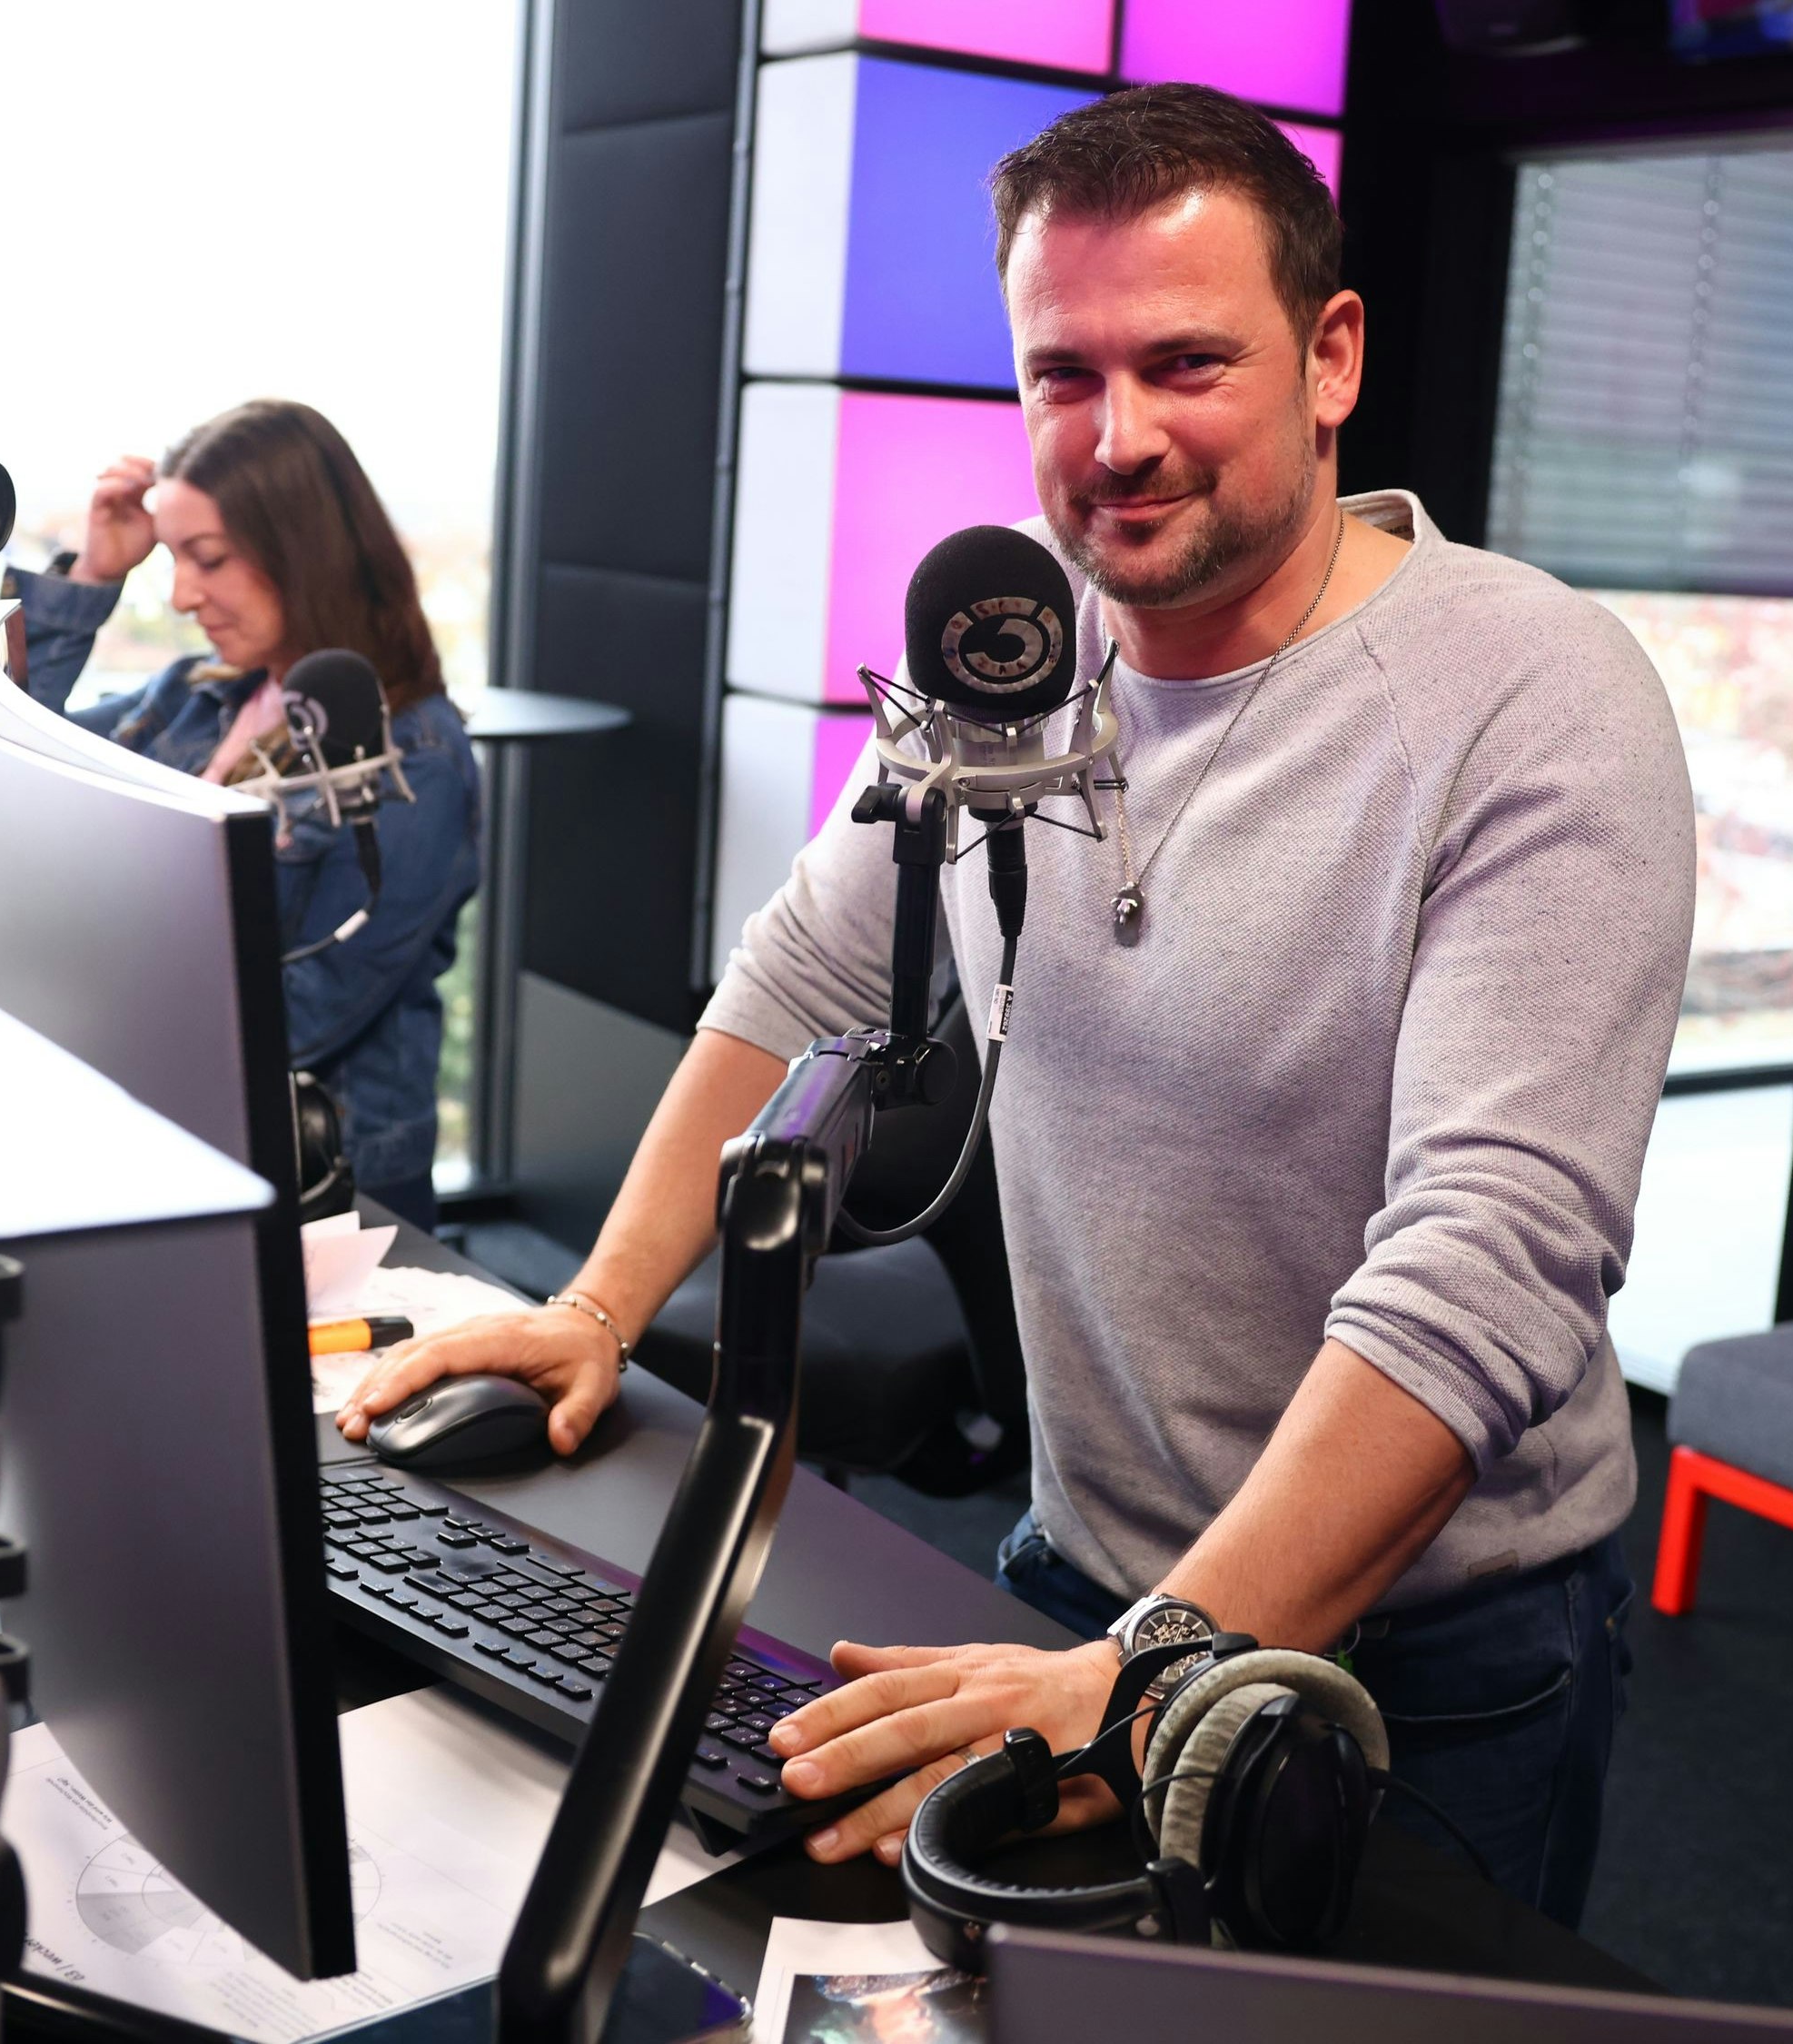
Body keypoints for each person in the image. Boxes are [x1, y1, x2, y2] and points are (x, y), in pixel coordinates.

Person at [341, 84, 1693, 1924]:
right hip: (1074, 1571)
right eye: (1064, 374)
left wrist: (1154, 1673)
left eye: (1186, 363)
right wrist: (593, 1307)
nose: (1118, 439)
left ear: (1330, 358)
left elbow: (1490, 1258)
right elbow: (800, 974)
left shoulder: (1530, 696)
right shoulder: (1016, 648)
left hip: (1416, 1658)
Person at [10, 400, 478, 1225]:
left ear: (303, 550)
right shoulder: (197, 695)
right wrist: (92, 577)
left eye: (210, 559)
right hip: (166, 1134)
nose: (182, 595)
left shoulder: (413, 757)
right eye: (173, 559)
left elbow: (303, 1015)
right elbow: (13, 763)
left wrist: (79, 1000)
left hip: (322, 1186)